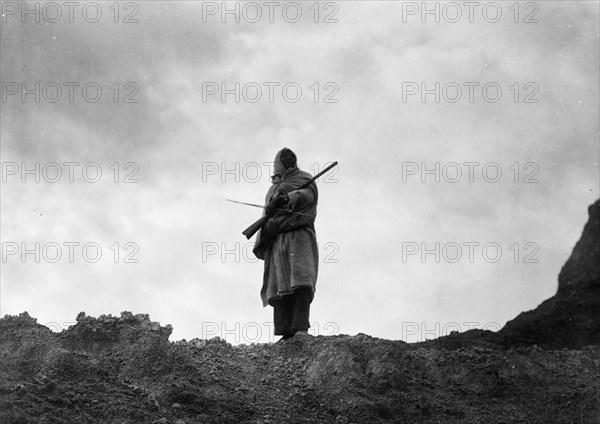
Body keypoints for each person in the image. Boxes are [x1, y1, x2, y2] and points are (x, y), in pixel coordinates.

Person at [253, 148, 319, 341]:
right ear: (278, 164)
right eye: (284, 159)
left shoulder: (304, 178)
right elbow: (267, 216)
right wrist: (270, 222)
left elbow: (308, 195)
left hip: (299, 237)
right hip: (277, 240)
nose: (288, 160)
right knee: (280, 286)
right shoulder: (271, 189)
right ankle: (285, 333)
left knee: (301, 282)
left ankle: (300, 328)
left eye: (291, 157)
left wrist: (287, 198)